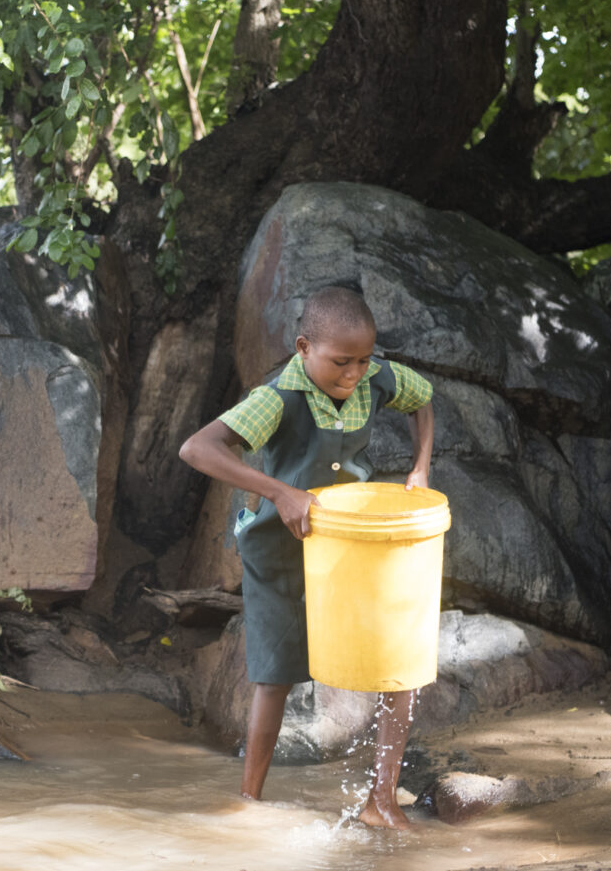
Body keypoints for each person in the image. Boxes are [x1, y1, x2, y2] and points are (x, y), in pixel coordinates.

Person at [179, 285, 435, 830]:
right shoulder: (277, 398)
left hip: (350, 547)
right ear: (303, 347)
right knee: (274, 677)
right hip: (278, 551)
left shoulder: (376, 378)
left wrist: (420, 467)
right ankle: (248, 802)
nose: (354, 372)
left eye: (364, 359)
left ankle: (381, 800)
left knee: (398, 662)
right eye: (341, 361)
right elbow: (198, 448)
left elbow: (423, 398)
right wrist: (277, 491)